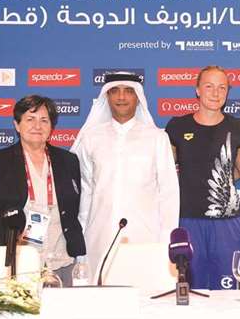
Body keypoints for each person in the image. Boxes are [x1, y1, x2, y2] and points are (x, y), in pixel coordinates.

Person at [71, 72, 180, 277]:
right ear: (107, 97)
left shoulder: (157, 137)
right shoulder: (90, 138)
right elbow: (85, 192)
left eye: (128, 91)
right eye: (115, 91)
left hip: (146, 238)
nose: (121, 97)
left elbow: (169, 194)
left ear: (138, 97)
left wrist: (167, 240)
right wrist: (82, 241)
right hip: (99, 238)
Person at [0, 95, 86, 286]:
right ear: (17, 125)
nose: (38, 126)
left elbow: (73, 207)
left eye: (44, 120)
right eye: (30, 119)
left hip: (61, 261)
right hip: (16, 263)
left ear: (52, 127)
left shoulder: (68, 161)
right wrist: (9, 243)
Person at [165, 66, 240, 290]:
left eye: (222, 87)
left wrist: (219, 178)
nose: (216, 93)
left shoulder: (238, 127)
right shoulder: (177, 126)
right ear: (197, 90)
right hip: (187, 219)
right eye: (209, 86)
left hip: (226, 221)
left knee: (228, 288)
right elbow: (164, 171)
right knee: (192, 288)